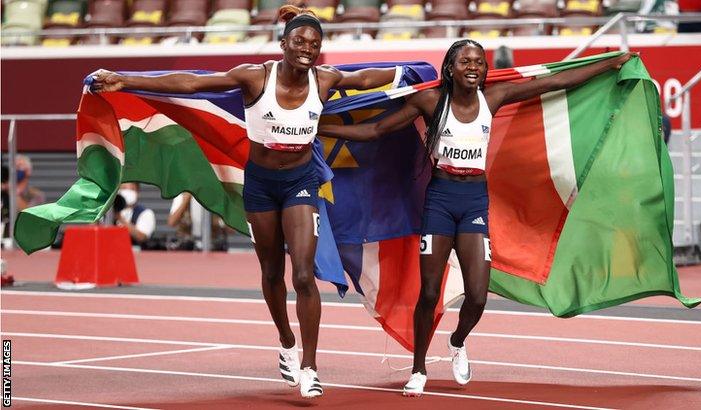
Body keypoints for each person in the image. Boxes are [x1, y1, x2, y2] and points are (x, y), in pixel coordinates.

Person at [92, 5, 396, 398]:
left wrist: (423, 73)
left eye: (315, 44)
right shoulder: (256, 76)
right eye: (300, 41)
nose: (307, 48)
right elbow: (193, 84)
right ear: (283, 42)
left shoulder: (325, 79)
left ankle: (310, 366)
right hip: (261, 184)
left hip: (301, 182)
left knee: (303, 274)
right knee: (271, 272)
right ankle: (287, 341)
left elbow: (366, 77)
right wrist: (126, 79)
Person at [318, 40, 635, 396]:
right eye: (466, 61)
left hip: (473, 203)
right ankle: (419, 368)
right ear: (450, 67)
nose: (474, 67)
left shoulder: (493, 98)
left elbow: (552, 82)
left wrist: (608, 65)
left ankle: (457, 340)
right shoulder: (431, 101)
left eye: (480, 62)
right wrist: (318, 129)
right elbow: (376, 130)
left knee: (478, 296)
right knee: (430, 291)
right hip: (439, 200)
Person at [114, 182, 156, 247]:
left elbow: (141, 237)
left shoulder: (146, 213)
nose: (127, 192)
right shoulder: (109, 213)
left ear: (137, 192)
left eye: (132, 189)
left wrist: (120, 219)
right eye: (124, 188)